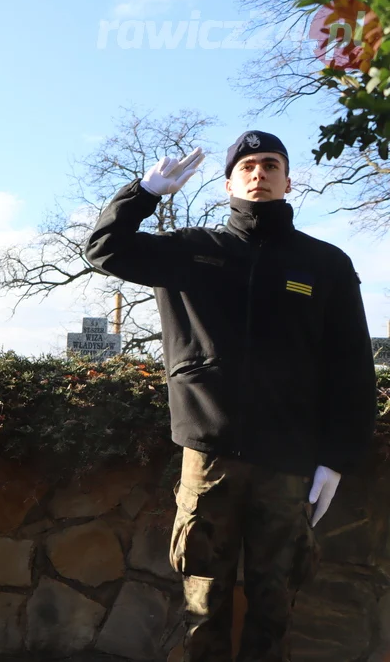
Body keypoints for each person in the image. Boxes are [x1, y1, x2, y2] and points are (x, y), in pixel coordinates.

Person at [85, 131, 376, 661]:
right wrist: (143, 195)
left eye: (270, 164)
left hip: (289, 461)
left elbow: (352, 369)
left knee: (275, 601)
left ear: (290, 180)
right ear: (227, 184)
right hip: (210, 455)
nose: (258, 173)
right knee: (203, 601)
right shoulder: (191, 251)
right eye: (246, 166)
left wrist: (336, 458)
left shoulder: (325, 264)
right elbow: (104, 250)